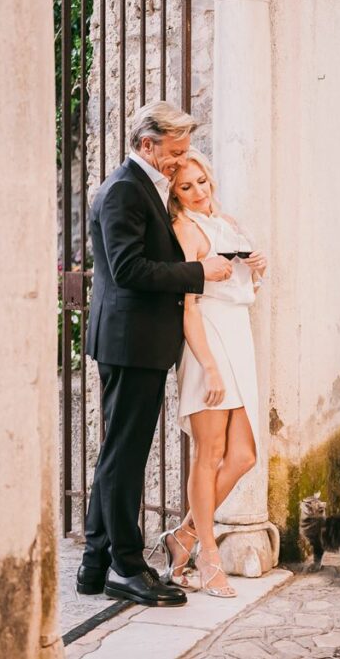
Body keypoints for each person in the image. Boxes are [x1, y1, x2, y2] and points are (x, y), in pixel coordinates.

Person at [76, 102, 232, 607]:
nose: (179, 161)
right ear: (148, 145)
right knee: (125, 457)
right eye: (175, 152)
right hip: (129, 342)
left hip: (136, 341)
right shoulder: (124, 190)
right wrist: (198, 272)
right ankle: (126, 565)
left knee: (117, 454)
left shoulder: (141, 188)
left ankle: (95, 563)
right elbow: (129, 270)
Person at [152, 149, 267, 598]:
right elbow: (190, 308)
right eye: (187, 186)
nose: (199, 191)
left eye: (202, 181)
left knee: (244, 455)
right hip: (209, 343)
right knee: (209, 452)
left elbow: (240, 286)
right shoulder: (184, 229)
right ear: (174, 194)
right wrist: (209, 368)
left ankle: (183, 536)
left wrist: (257, 270)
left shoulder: (228, 222)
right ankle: (208, 556)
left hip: (238, 337)